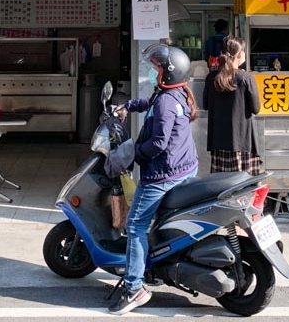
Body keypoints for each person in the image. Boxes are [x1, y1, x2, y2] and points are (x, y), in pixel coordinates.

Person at [109, 44, 199, 315]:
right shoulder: (173, 94)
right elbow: (147, 104)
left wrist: (133, 153)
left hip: (162, 174)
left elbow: (158, 143)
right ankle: (153, 267)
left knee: (135, 225)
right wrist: (127, 106)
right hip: (183, 168)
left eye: (156, 68)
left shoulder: (166, 102)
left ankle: (135, 287)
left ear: (168, 73)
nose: (152, 71)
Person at [204, 35, 263, 175]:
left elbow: (206, 105)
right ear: (241, 54)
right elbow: (256, 109)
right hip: (242, 142)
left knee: (221, 186)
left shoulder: (211, 77)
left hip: (218, 142)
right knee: (243, 188)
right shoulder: (245, 78)